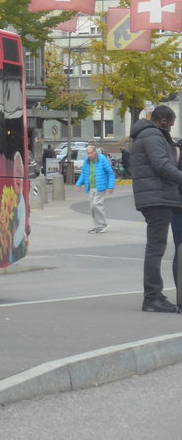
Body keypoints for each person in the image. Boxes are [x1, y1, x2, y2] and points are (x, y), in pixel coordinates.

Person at [128, 105, 182, 312]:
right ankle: (152, 297)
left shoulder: (148, 135)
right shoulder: (153, 135)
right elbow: (161, 165)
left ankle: (154, 295)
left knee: (155, 247)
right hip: (157, 196)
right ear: (163, 121)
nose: (170, 128)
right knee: (156, 248)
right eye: (170, 125)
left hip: (155, 195)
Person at [74, 144, 115, 233]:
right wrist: (78, 184)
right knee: (93, 208)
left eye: (90, 153)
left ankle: (103, 224)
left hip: (100, 186)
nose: (89, 155)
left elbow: (110, 173)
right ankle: (98, 226)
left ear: (95, 152)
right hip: (91, 187)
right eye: (87, 153)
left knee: (97, 204)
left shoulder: (102, 159)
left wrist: (110, 186)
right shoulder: (87, 161)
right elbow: (84, 173)